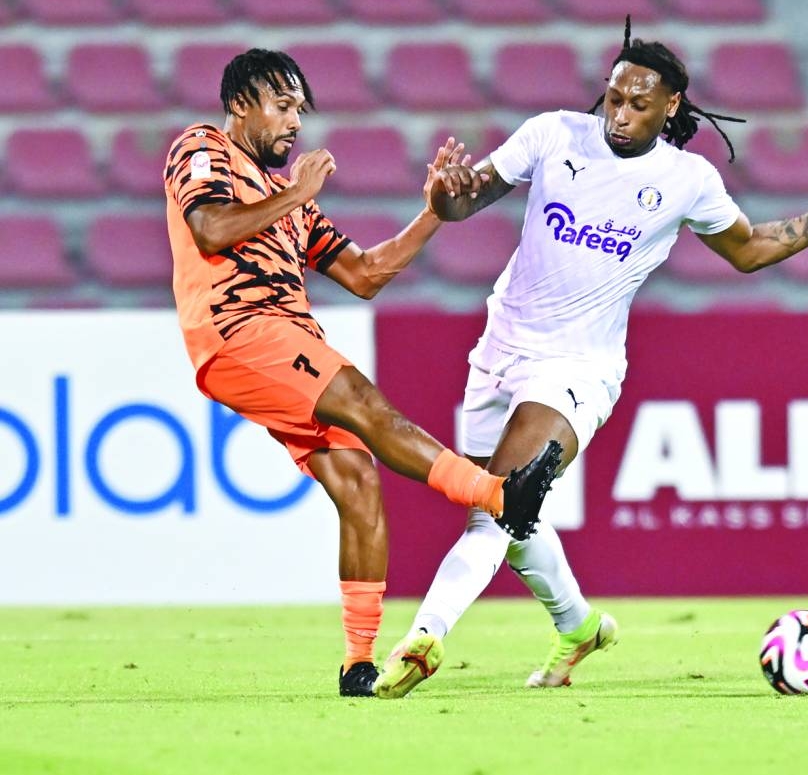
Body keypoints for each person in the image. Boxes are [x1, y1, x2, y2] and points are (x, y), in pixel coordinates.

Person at [373, 17, 808, 699]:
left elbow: (751, 250)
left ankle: (425, 636)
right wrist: (446, 194)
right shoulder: (554, 134)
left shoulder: (687, 179)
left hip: (578, 370)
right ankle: (579, 626)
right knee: (502, 517)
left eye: (638, 103)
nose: (619, 114)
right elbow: (467, 198)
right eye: (614, 97)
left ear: (671, 106)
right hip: (499, 351)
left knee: (502, 502)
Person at [162, 48, 562, 699]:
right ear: (239, 104)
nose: (295, 122)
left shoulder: (291, 204)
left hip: (285, 338)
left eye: (300, 109)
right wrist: (296, 192)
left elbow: (365, 273)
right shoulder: (203, 148)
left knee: (358, 483)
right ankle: (499, 496)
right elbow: (208, 228)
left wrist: (433, 211)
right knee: (366, 404)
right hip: (237, 330)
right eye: (282, 105)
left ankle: (357, 664)